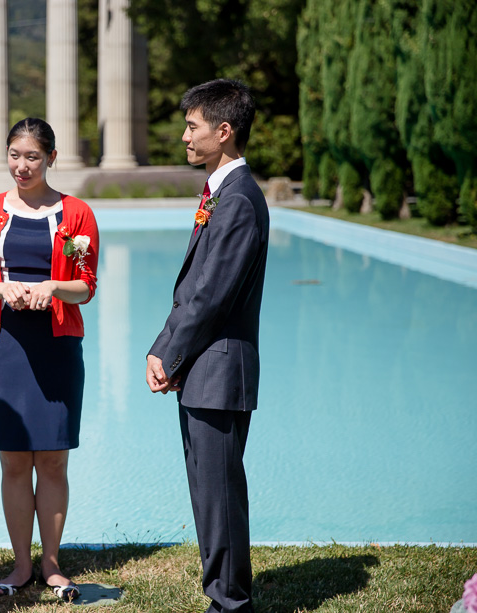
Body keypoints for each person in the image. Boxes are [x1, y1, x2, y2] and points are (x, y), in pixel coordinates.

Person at [145, 79, 269, 613]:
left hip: (218, 374)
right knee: (209, 495)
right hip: (203, 371)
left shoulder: (239, 200)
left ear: (224, 131)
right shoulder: (222, 191)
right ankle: (223, 594)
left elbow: (211, 297)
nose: (184, 136)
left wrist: (167, 354)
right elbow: (193, 289)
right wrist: (165, 348)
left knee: (218, 498)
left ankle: (230, 603)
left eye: (192, 127)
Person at [0, 118, 99, 603]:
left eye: (33, 157)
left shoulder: (77, 214)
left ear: (51, 159)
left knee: (55, 461)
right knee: (15, 461)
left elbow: (85, 286)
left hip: (57, 345)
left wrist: (50, 288)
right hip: (5, 346)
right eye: (14, 155)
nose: (22, 166)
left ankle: (52, 564)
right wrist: (6, 289)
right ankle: (22, 564)